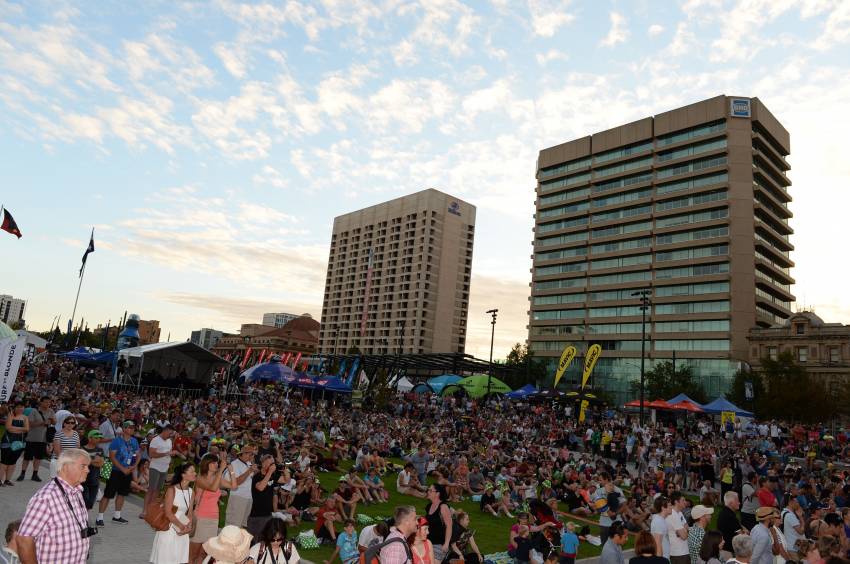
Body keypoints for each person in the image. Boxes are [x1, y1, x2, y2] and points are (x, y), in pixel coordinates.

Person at [16, 449, 93, 564]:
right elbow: (24, 540)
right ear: (66, 466)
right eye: (83, 466)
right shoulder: (45, 499)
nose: (88, 470)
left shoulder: (76, 491)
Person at [190, 452, 238, 564]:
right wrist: (221, 470)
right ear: (206, 464)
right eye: (213, 462)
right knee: (193, 554)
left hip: (213, 519)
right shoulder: (199, 478)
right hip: (200, 518)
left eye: (217, 462)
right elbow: (212, 488)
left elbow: (234, 486)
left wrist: (231, 470)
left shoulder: (218, 478)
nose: (216, 464)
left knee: (204, 553)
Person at [150, 462, 196, 564]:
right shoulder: (172, 490)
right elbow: (168, 513)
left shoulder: (191, 491)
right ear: (183, 475)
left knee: (178, 559)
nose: (195, 473)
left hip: (182, 529)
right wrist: (181, 526)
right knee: (166, 559)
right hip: (168, 528)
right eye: (192, 471)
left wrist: (188, 526)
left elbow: (190, 513)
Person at [97, 420, 140, 526]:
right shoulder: (117, 441)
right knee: (108, 494)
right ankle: (99, 517)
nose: (132, 429)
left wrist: (133, 466)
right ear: (124, 428)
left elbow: (137, 454)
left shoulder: (134, 441)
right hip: (116, 471)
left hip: (128, 471)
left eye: (133, 427)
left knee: (122, 493)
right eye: (129, 427)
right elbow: (112, 457)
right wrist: (122, 468)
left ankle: (117, 516)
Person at [143, 425, 176, 519]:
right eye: (170, 433)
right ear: (165, 430)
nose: (170, 435)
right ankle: (145, 510)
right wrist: (166, 454)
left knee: (157, 490)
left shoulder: (169, 441)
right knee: (151, 489)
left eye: (171, 434)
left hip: (164, 468)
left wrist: (170, 458)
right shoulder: (155, 440)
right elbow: (151, 454)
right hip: (155, 467)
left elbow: (169, 452)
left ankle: (151, 510)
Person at [18, 397, 53, 482]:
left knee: (38, 457)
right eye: (46, 402)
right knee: (27, 457)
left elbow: (54, 422)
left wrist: (53, 420)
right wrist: (42, 423)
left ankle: (35, 474)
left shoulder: (51, 411)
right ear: (41, 403)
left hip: (43, 439)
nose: (48, 404)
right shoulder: (34, 411)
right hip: (32, 438)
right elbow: (29, 424)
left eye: (49, 402)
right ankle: (22, 474)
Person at [223, 444, 258, 528]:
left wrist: (253, 470)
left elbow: (250, 478)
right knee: (233, 525)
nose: (252, 456)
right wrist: (249, 471)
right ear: (244, 454)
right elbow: (236, 482)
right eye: (251, 454)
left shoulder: (248, 463)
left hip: (248, 498)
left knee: (242, 525)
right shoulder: (235, 464)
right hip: (238, 498)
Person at [0, 402, 29, 487]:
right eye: (18, 407)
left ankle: (7, 480)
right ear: (15, 408)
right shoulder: (10, 415)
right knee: (4, 461)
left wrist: (15, 429)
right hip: (7, 441)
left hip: (19, 442)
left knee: (13, 461)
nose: (20, 409)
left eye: (22, 407)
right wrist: (21, 429)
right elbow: (8, 428)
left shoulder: (25, 417)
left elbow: (27, 429)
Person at [425, 484, 453, 563]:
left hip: (439, 544)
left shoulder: (443, 507)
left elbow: (449, 526)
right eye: (428, 489)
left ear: (437, 493)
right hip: (427, 542)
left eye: (430, 490)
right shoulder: (429, 506)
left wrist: (446, 543)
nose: (428, 492)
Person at [717, 491, 744, 560]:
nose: (739, 503)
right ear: (731, 503)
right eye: (737, 501)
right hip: (728, 552)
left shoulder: (723, 512)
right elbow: (741, 535)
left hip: (724, 549)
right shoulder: (730, 516)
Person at [666, 492, 690, 564]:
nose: (685, 502)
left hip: (683, 551)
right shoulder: (673, 514)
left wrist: (683, 531)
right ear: (676, 502)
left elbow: (687, 528)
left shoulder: (679, 513)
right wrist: (683, 531)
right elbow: (684, 536)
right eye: (683, 500)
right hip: (678, 554)